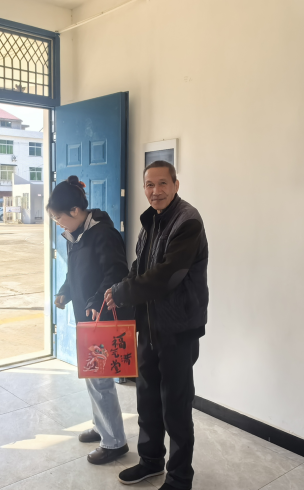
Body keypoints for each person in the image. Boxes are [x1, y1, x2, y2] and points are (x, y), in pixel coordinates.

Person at [104, 161, 209, 490]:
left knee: (175, 406)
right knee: (147, 399)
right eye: (149, 184)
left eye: (162, 183)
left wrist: (124, 293)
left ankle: (180, 478)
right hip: (149, 326)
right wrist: (119, 289)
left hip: (178, 329)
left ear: (176, 185)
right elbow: (141, 265)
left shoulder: (188, 221)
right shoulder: (151, 220)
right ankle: (150, 461)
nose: (155, 191)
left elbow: (167, 276)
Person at [50, 175, 133, 465]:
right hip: (87, 316)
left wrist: (96, 300)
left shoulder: (104, 234)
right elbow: (75, 272)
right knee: (93, 375)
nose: (58, 224)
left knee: (100, 379)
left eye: (59, 218)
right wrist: (65, 291)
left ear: (75, 211)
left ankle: (114, 442)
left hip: (102, 317)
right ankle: (101, 426)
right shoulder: (77, 234)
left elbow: (117, 273)